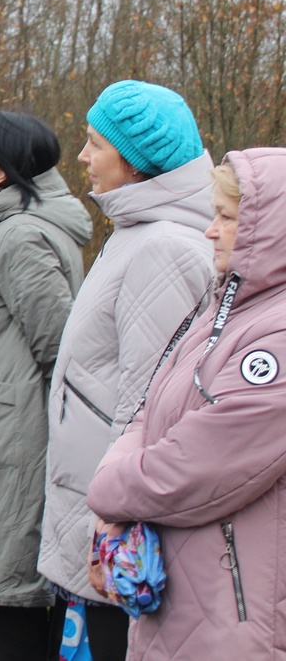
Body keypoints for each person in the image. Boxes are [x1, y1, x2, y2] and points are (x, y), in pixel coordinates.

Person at [86, 149, 286, 660]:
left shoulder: (277, 333)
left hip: (241, 615)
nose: (210, 231)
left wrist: (110, 489)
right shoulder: (229, 308)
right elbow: (148, 412)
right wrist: (118, 484)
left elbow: (199, 464)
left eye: (227, 217)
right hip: (188, 598)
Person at [38, 81, 213, 660]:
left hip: (114, 504)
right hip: (94, 488)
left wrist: (115, 513)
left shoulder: (165, 248)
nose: (81, 156)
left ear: (136, 164)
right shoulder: (135, 232)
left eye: (94, 144)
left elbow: (149, 403)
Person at [0, 112, 92, 661]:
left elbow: (61, 347)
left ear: (1, 174)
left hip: (16, 446)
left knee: (11, 604)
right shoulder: (13, 227)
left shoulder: (20, 237)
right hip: (7, 435)